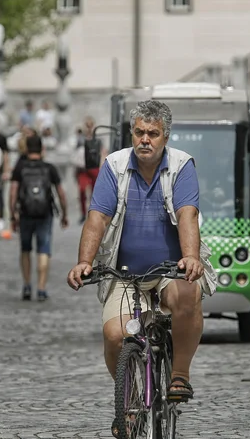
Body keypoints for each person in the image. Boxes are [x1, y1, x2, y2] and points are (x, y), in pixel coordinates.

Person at [67, 100, 213, 436]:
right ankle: (129, 398)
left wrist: (190, 256)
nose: (145, 139)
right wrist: (84, 262)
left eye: (153, 133)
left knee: (189, 293)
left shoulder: (181, 165)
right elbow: (97, 218)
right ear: (131, 133)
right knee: (116, 335)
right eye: (139, 132)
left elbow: (188, 213)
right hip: (125, 272)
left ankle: (180, 374)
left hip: (169, 270)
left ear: (165, 136)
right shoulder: (114, 166)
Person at [10, 135, 68, 302]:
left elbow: (13, 191)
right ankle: (41, 288)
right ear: (42, 149)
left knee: (25, 249)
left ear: (27, 149)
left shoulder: (20, 168)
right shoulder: (49, 168)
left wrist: (12, 212)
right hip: (45, 213)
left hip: (25, 213)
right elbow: (61, 193)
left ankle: (27, 285)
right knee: (43, 249)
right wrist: (64, 214)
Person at [75, 116, 107, 224]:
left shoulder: (98, 139)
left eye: (90, 125)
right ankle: (83, 213)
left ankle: (93, 212)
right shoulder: (80, 139)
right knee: (82, 190)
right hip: (83, 168)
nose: (89, 128)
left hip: (94, 167)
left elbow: (103, 152)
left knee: (95, 192)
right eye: (87, 125)